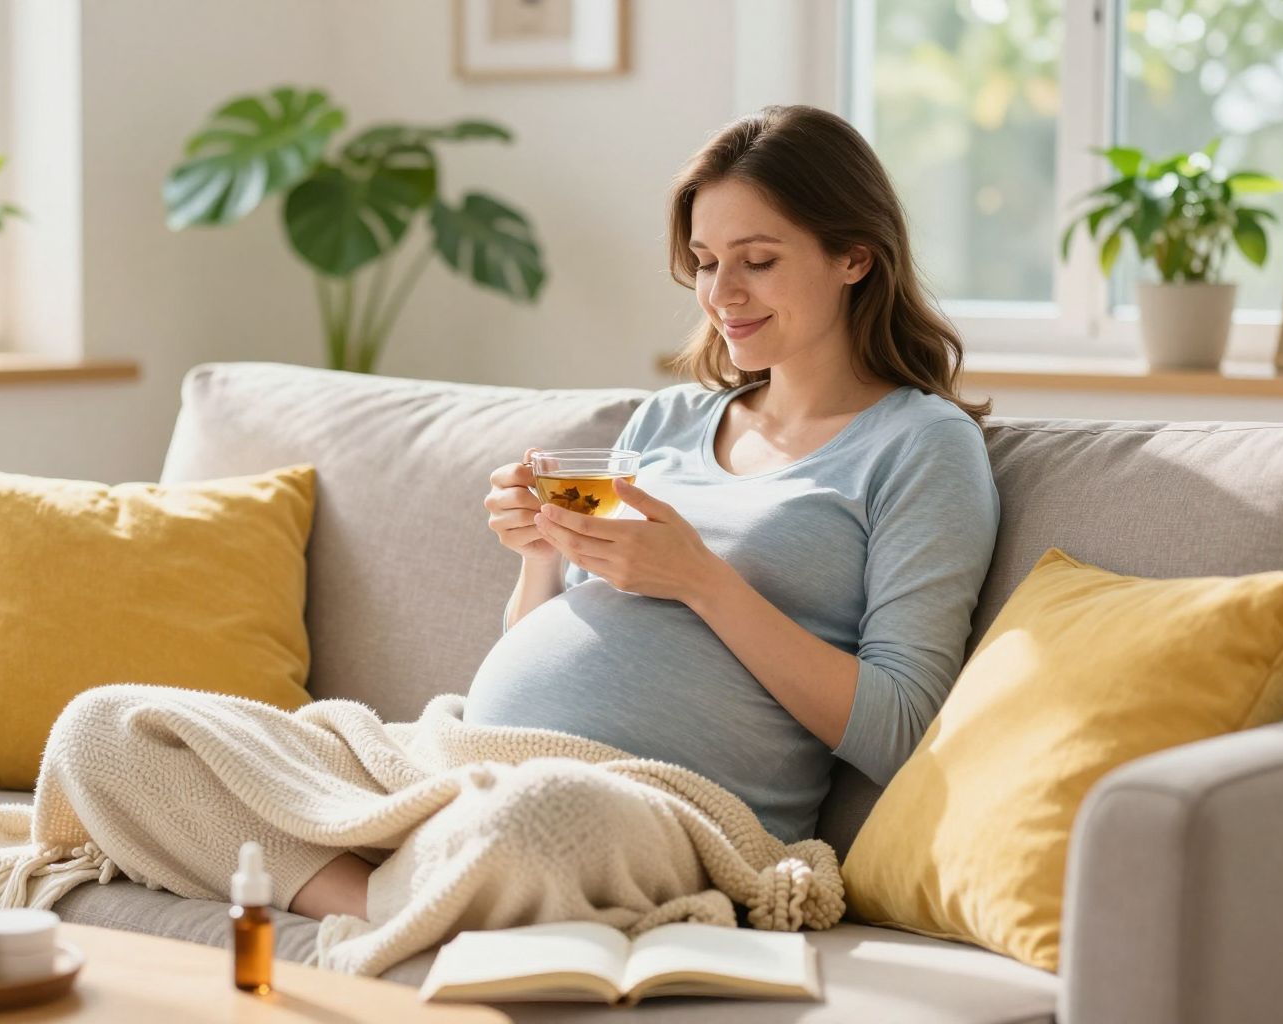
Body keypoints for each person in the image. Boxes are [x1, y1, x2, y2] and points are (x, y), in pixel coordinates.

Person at [287, 104, 1000, 922]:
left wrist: (704, 582)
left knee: (541, 818)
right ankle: (425, 894)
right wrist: (542, 554)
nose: (721, 294)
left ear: (855, 258)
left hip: (660, 813)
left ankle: (395, 888)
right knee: (118, 731)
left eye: (758, 261)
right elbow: (549, 641)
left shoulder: (922, 445)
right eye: (703, 262)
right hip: (476, 763)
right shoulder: (670, 422)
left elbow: (904, 730)